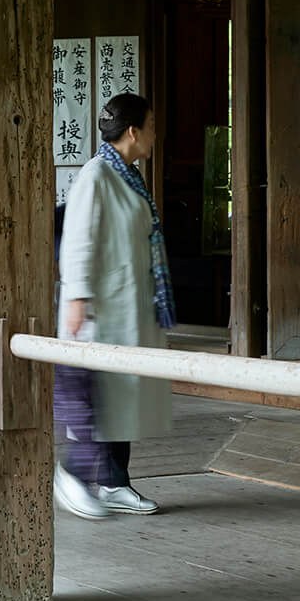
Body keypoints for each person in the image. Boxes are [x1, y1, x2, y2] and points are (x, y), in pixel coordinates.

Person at [54, 93, 174, 519]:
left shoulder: (127, 175)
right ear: (133, 131)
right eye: (153, 125)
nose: (156, 134)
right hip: (99, 308)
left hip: (127, 305)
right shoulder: (97, 174)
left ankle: (113, 482)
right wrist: (78, 298)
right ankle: (73, 474)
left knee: (121, 396)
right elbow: (78, 239)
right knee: (100, 397)